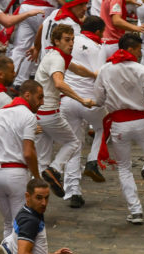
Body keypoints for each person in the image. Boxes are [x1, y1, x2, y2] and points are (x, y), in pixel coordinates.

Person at [94, 33, 144, 225]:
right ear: (130, 49)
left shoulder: (105, 69)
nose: (140, 53)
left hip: (119, 125)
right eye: (139, 49)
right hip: (141, 122)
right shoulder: (141, 70)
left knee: (124, 167)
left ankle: (135, 210)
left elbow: (98, 99)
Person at [34, 23, 96, 197]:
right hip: (49, 113)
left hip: (38, 115)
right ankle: (55, 169)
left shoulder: (56, 55)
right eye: (67, 40)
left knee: (42, 161)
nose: (71, 44)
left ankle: (36, 199)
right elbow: (59, 83)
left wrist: (94, 74)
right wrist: (82, 99)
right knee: (73, 142)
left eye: (73, 40)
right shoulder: (57, 59)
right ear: (56, 41)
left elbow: (77, 69)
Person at [61, 15, 108, 208]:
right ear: (97, 32)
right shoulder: (98, 47)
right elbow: (100, 76)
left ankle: (73, 191)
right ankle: (92, 160)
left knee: (73, 144)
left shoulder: (71, 42)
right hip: (88, 100)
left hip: (68, 100)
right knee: (104, 126)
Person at [0, 80, 43, 239]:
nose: (42, 102)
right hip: (15, 174)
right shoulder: (28, 116)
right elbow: (28, 153)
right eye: (40, 97)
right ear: (27, 95)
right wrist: (37, 177)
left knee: (9, 221)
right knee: (20, 222)